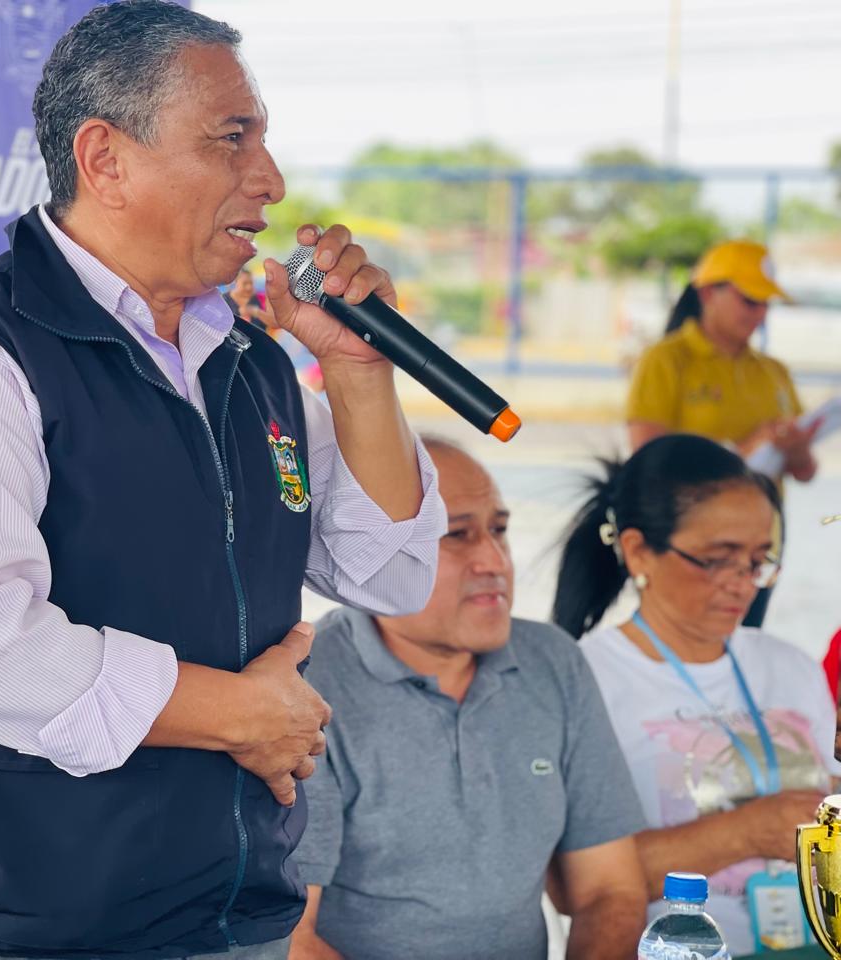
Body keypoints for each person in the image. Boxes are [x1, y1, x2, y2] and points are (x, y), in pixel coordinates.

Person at [0, 4, 447, 959]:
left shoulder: (248, 361)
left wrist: (361, 375)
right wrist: (238, 714)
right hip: (9, 930)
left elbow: (391, 574)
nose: (270, 181)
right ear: (105, 159)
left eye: (264, 140)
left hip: (228, 916)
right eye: (231, 139)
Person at [290, 440, 647, 960]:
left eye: (498, 530)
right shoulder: (308, 685)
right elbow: (290, 939)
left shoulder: (553, 662)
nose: (494, 560)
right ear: (372, 550)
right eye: (456, 535)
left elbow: (609, 891)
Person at [552, 434, 840, 956]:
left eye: (758, 561)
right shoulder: (583, 680)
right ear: (639, 551)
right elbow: (572, 886)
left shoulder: (790, 666)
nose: (744, 584)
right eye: (718, 559)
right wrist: (746, 832)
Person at [625, 239, 818, 626]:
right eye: (750, 301)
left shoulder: (773, 371)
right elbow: (648, 459)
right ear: (708, 293)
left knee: (742, 637)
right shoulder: (666, 360)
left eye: (766, 304)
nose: (759, 313)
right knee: (684, 638)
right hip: (690, 541)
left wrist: (796, 448)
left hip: (761, 541)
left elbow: (806, 471)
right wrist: (742, 451)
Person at [226, 266, 276, 332]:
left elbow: (275, 323)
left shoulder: (261, 298)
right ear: (236, 282)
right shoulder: (224, 300)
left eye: (251, 283)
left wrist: (255, 312)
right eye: (245, 283)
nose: (249, 287)